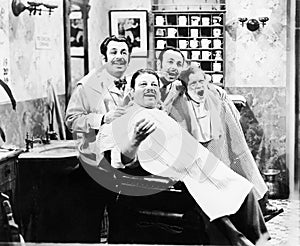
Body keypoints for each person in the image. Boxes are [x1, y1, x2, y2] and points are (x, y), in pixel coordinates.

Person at [97, 68, 270, 246]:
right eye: (143, 84)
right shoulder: (123, 119)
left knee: (243, 188)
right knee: (209, 199)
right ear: (132, 92)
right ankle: (239, 242)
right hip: (165, 179)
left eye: (154, 85)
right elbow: (122, 161)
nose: (149, 88)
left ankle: (261, 240)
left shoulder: (162, 115)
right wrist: (134, 141)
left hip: (196, 167)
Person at [156, 47, 278, 215]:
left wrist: (213, 91)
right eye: (170, 62)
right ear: (159, 64)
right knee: (225, 140)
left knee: (223, 119)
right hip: (168, 146)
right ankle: (256, 199)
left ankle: (252, 200)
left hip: (192, 139)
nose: (174, 67)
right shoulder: (150, 83)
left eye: (178, 64)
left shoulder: (178, 86)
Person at [63, 35, 133, 242]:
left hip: (126, 162)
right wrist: (102, 118)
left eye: (123, 52)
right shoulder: (87, 85)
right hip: (96, 161)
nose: (119, 57)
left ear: (129, 57)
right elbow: (71, 119)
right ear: (104, 58)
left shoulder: (134, 83)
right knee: (91, 221)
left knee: (124, 220)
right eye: (113, 52)